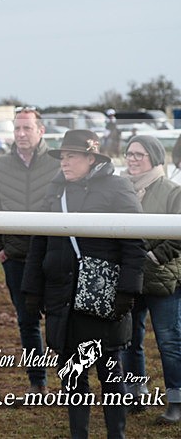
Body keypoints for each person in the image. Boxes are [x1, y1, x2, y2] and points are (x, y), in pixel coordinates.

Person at [22, 129, 146, 439]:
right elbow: (40, 242)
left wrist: (127, 291)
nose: (64, 162)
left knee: (110, 375)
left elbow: (135, 244)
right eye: (62, 156)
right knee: (72, 377)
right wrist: (32, 288)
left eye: (72, 156)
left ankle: (116, 435)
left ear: (91, 158)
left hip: (101, 300)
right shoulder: (54, 191)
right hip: (62, 298)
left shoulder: (118, 188)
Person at [0, 107, 59, 395]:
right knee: (26, 321)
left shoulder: (57, 163)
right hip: (15, 256)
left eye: (27, 128)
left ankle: (70, 381)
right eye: (17, 128)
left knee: (58, 319)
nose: (21, 134)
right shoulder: (2, 165)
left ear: (41, 130)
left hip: (51, 254)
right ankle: (37, 382)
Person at [120, 135, 181, 423]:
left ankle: (177, 399)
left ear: (154, 158)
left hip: (163, 279)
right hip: (131, 277)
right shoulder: (120, 191)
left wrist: (154, 257)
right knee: (130, 339)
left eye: (139, 154)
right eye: (129, 153)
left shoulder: (172, 191)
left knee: (168, 340)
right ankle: (135, 391)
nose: (132, 159)